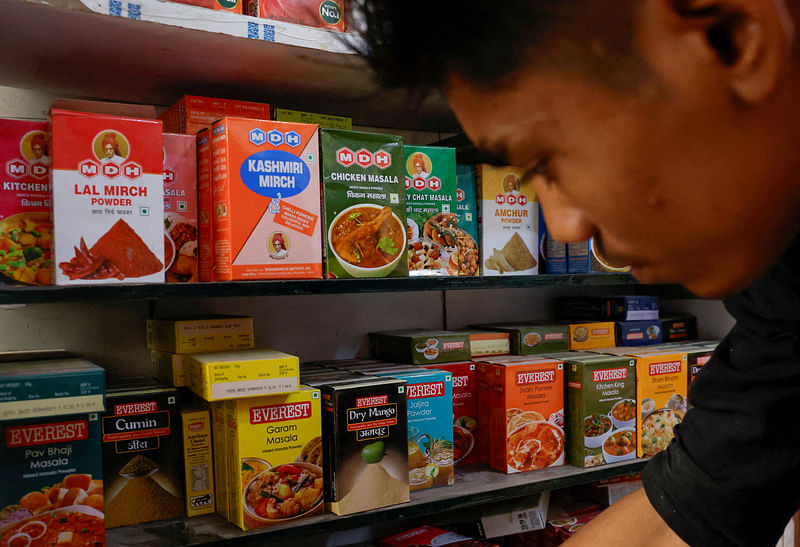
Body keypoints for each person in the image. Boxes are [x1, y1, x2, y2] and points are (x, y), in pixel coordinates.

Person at [355, 1, 800, 545]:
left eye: (546, 159)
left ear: (730, 36)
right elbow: (688, 512)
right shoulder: (783, 303)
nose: (564, 228)